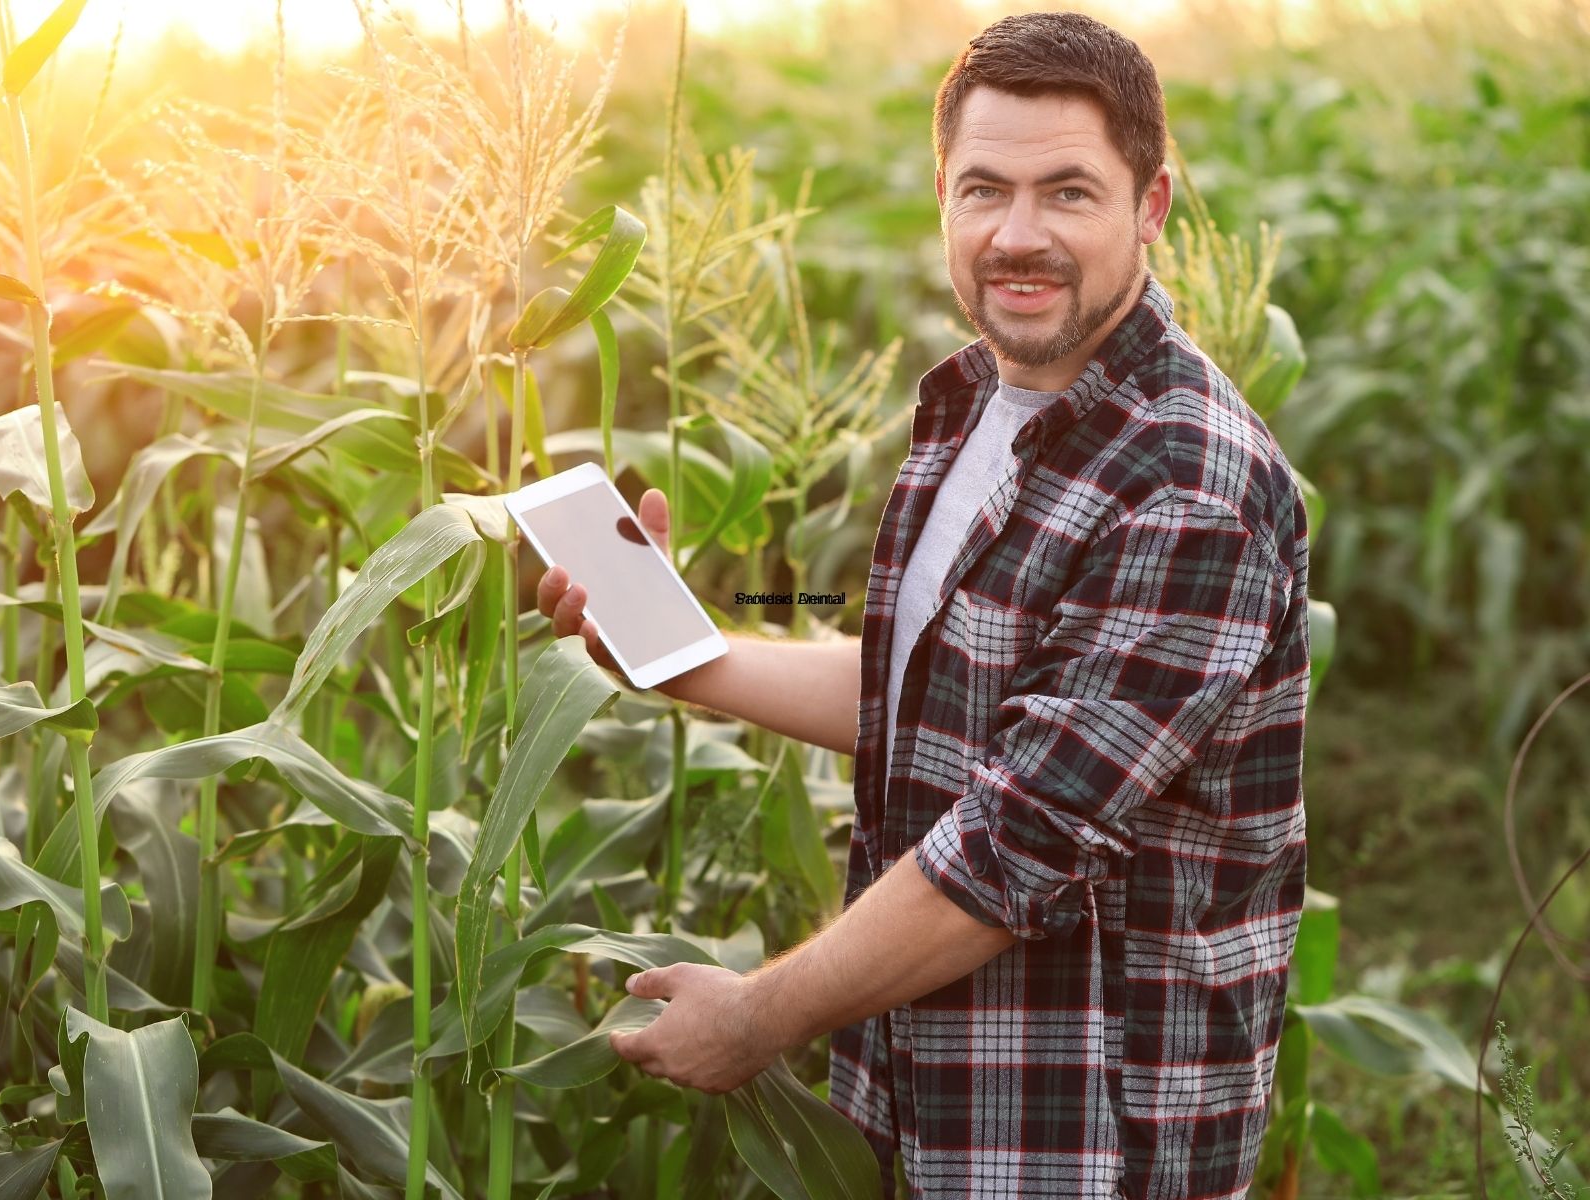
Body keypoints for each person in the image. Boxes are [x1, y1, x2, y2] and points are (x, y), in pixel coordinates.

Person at [538, 11, 1310, 1197]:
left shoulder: (1188, 487)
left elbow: (1017, 844)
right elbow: (940, 700)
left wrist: (755, 1018)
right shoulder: (976, 408)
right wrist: (680, 651)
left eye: (1068, 193)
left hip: (1076, 1140)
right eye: (983, 189)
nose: (1017, 235)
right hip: (925, 1096)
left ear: (1151, 204)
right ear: (940, 194)